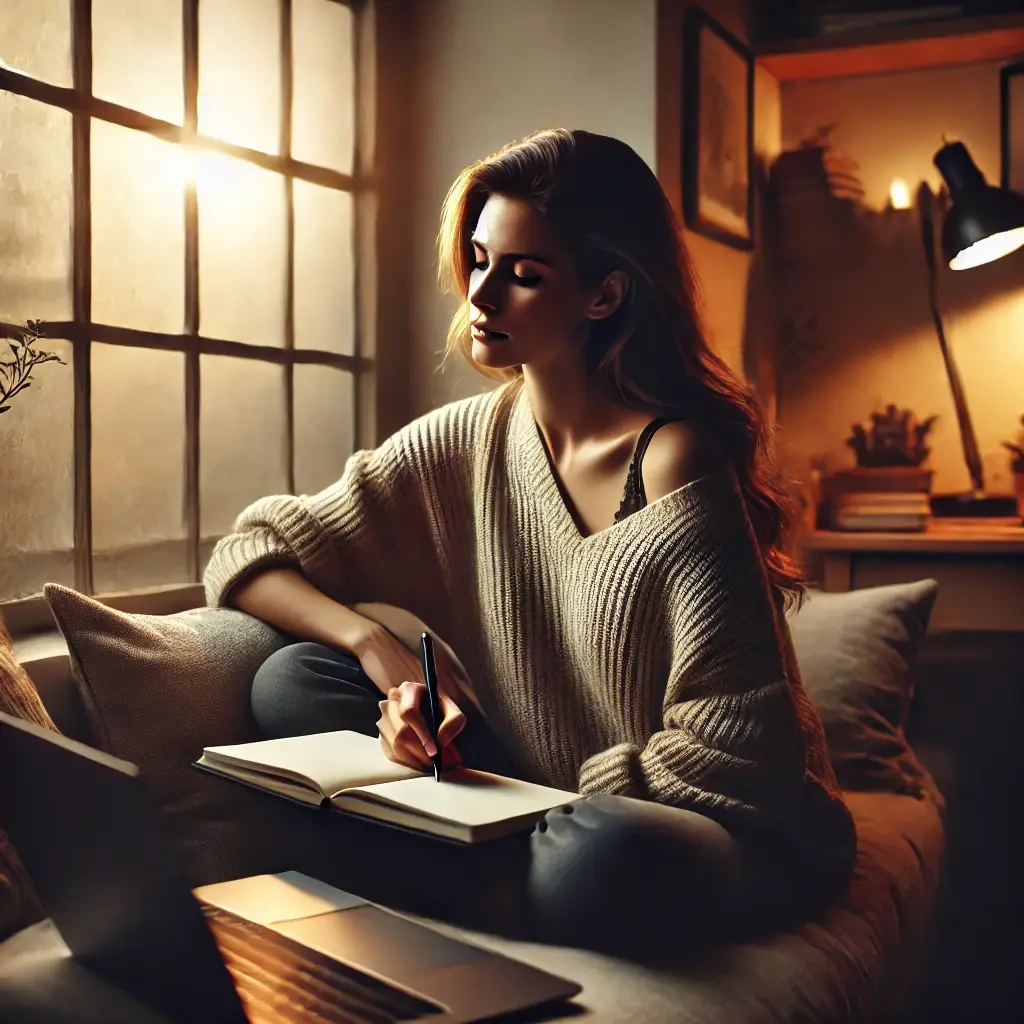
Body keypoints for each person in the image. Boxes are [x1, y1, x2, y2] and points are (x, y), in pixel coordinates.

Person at [203, 128, 856, 963]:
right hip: (535, 795)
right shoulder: (464, 441)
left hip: (715, 825)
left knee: (608, 854)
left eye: (523, 274)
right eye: (477, 260)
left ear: (604, 295)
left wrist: (547, 804)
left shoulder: (673, 456)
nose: (481, 294)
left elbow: (741, 754)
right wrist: (380, 653)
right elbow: (252, 549)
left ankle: (441, 878)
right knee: (291, 678)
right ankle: (491, 884)